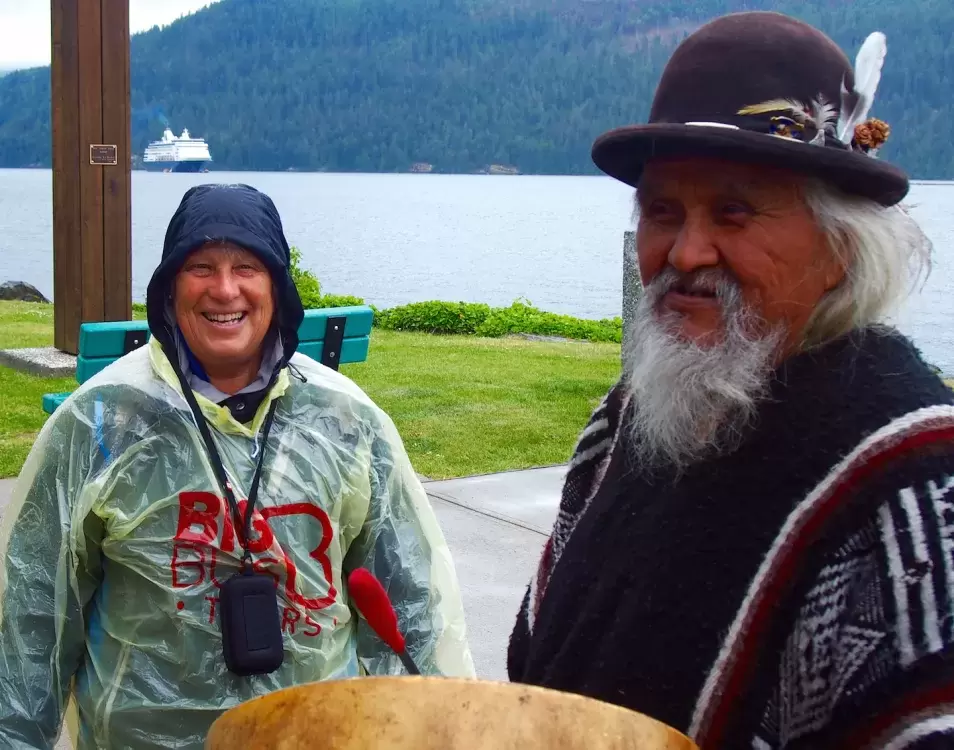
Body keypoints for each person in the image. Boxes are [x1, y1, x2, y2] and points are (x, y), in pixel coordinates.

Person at [508, 11, 954, 750]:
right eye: (661, 211)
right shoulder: (625, 420)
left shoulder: (916, 481)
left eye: (734, 211)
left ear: (840, 247)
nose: (684, 253)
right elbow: (537, 667)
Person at [0, 183, 474, 749]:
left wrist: (442, 730)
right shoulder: (100, 424)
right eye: (201, 266)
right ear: (170, 287)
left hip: (314, 735)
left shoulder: (347, 421)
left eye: (246, 266)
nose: (225, 289)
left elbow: (411, 605)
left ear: (277, 284)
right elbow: (31, 618)